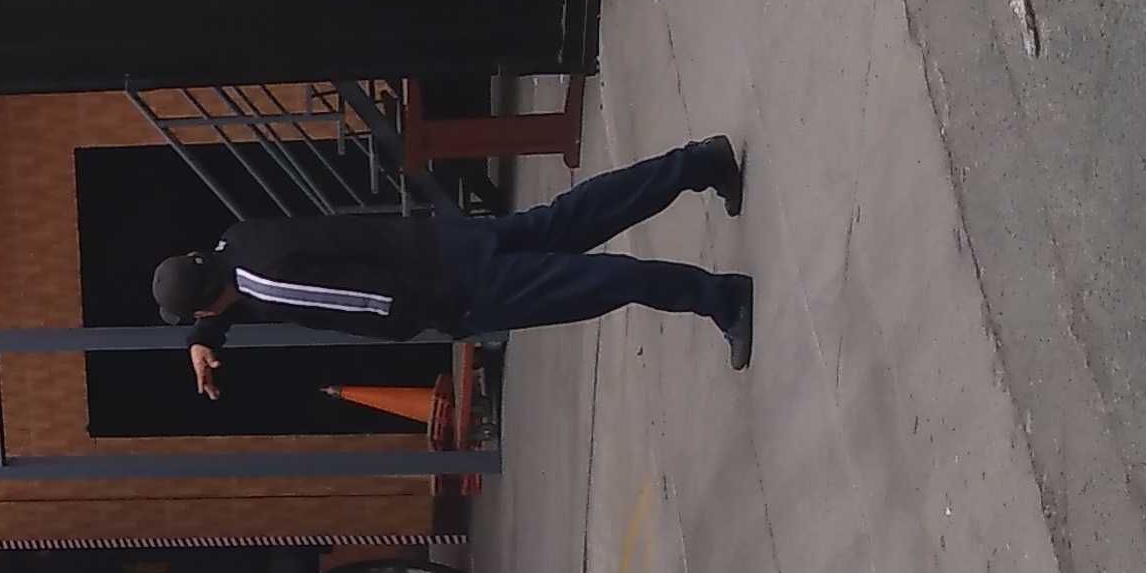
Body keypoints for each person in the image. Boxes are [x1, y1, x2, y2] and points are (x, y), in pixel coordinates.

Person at [153, 138, 755, 378]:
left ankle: (722, 297)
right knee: (571, 218)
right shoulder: (238, 240)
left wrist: (440, 316)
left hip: (452, 285)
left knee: (591, 283)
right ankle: (700, 163)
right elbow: (229, 285)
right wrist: (205, 338)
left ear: (208, 302)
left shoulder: (266, 287)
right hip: (443, 242)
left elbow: (368, 300)